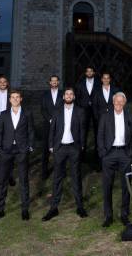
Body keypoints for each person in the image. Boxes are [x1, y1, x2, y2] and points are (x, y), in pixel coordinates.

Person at [0, 90, 35, 223]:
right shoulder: (3, 115)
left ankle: (25, 209)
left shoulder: (27, 113)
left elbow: (31, 130)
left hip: (21, 150)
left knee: (23, 179)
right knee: (3, 181)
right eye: (12, 97)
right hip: (6, 150)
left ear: (21, 99)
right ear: (9, 100)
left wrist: (29, 147)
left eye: (17, 97)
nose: (15, 99)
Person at [42, 87, 88, 221]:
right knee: (57, 178)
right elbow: (52, 129)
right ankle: (53, 208)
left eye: (71, 94)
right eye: (66, 94)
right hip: (60, 148)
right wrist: (51, 145)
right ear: (63, 97)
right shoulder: (56, 112)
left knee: (76, 177)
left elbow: (82, 130)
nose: (68, 96)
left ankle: (80, 206)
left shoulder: (80, 111)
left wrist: (82, 146)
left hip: (74, 148)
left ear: (74, 97)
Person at [97, 92, 132, 228]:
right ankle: (108, 216)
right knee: (107, 185)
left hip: (125, 154)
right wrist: (103, 153)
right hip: (109, 154)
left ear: (124, 103)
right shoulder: (105, 116)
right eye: (116, 102)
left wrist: (130, 153)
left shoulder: (130, 116)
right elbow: (100, 135)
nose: (118, 104)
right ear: (113, 102)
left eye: (121, 102)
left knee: (126, 186)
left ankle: (124, 215)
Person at [75, 66, 101, 165]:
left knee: (97, 133)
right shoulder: (80, 84)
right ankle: (82, 157)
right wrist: (81, 107)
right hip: (84, 111)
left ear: (94, 72)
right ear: (85, 73)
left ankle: (97, 157)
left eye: (91, 71)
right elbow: (77, 98)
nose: (89, 73)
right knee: (82, 133)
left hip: (96, 110)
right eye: (88, 71)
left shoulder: (99, 83)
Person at [41, 75, 64, 179]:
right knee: (46, 148)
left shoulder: (63, 94)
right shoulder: (45, 95)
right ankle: (44, 172)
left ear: (58, 82)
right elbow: (43, 110)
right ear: (49, 82)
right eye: (52, 81)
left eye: (56, 81)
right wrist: (50, 119)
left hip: (60, 124)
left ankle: (60, 172)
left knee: (60, 148)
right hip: (48, 124)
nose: (54, 82)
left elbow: (65, 108)